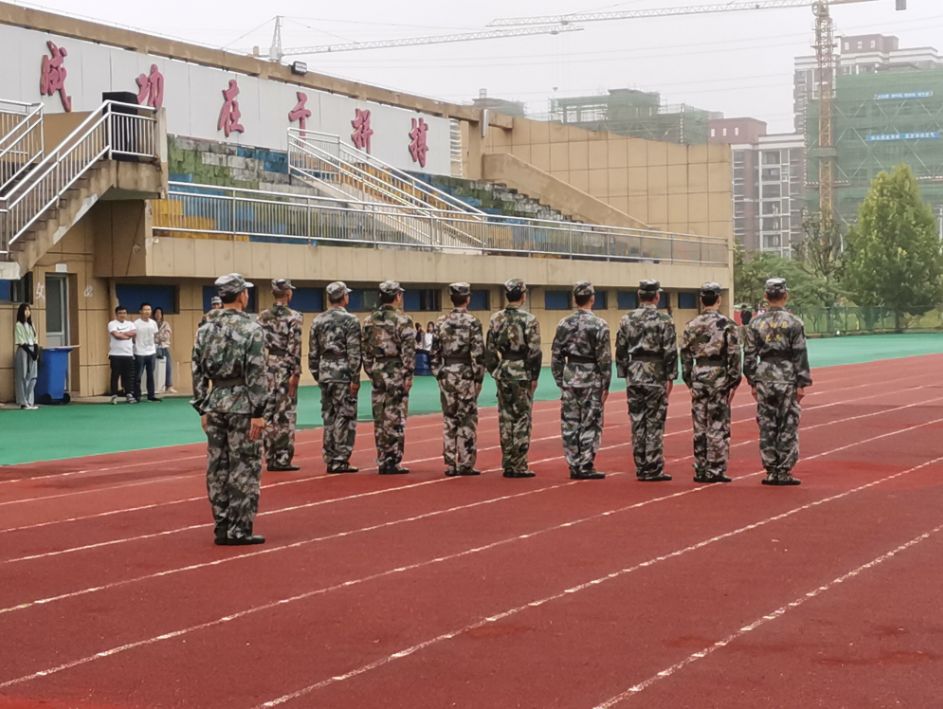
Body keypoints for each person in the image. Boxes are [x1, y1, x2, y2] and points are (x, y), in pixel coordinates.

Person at [191, 273, 270, 545]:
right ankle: (240, 528)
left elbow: (197, 370)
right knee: (244, 467)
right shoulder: (251, 329)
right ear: (241, 296)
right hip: (242, 404)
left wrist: (202, 407)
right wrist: (259, 412)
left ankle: (222, 524)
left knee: (217, 467)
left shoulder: (204, 328)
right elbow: (258, 374)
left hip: (215, 403)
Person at [744, 278, 812, 486]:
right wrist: (802, 382)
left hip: (764, 375)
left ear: (766, 296)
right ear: (785, 295)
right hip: (787, 376)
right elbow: (800, 353)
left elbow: (748, 356)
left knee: (767, 424)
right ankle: (784, 469)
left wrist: (753, 382)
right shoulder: (794, 322)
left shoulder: (755, 323)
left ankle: (771, 469)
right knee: (788, 423)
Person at [615, 280, 677, 482]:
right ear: (656, 296)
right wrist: (671, 376)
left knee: (637, 421)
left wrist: (624, 372)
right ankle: (653, 466)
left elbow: (621, 349)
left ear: (639, 295)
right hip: (655, 373)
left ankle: (641, 464)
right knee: (654, 421)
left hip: (635, 373)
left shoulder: (627, 319)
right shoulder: (664, 319)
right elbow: (669, 350)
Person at [680, 283, 742, 484]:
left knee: (700, 424)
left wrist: (689, 380)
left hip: (699, 374)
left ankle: (700, 468)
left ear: (701, 300)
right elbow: (734, 354)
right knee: (717, 423)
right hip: (718, 375)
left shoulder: (691, 324)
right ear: (719, 299)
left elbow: (685, 355)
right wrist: (733, 381)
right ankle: (715, 469)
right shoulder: (727, 324)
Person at [551, 282, 611, 480]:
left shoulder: (563, 324)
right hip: (591, 377)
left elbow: (556, 355)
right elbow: (604, 358)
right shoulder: (600, 324)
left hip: (570, 376)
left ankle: (573, 463)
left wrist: (561, 379)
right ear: (592, 298)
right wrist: (606, 383)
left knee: (570, 422)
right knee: (590, 422)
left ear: (574, 299)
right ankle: (585, 463)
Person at [485, 278, 542, 479]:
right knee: (522, 418)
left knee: (505, 418)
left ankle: (508, 461)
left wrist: (495, 370)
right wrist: (534, 375)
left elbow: (490, 350)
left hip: (504, 370)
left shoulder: (496, 319)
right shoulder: (529, 319)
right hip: (522, 372)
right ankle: (519, 464)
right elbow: (534, 351)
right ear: (523, 295)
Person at [431, 283, 486, 477]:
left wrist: (439, 372)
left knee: (449, 419)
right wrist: (478, 378)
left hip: (447, 373)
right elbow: (478, 353)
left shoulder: (441, 322)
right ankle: (466, 462)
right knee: (467, 419)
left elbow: (434, 352)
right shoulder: (473, 322)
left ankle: (450, 463)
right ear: (468, 298)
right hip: (465, 375)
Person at [362, 280, 415, 475]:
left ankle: (383, 457)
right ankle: (393, 459)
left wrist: (371, 370)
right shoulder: (403, 320)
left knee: (380, 416)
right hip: (395, 370)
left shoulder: (369, 321)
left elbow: (365, 350)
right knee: (396, 415)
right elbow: (408, 351)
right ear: (397, 296)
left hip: (378, 369)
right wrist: (408, 374)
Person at [310, 281, 362, 474]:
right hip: (342, 372)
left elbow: (313, 352)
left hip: (325, 371)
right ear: (344, 297)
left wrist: (318, 374)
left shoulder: (317, 320)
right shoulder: (350, 320)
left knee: (329, 416)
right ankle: (340, 458)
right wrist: (355, 378)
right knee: (345, 416)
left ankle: (330, 456)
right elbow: (354, 352)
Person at [258, 279, 304, 472]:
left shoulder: (262, 317)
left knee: (268, 413)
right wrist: (296, 372)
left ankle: (269, 455)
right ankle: (283, 458)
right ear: (288, 294)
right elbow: (295, 346)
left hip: (267, 367)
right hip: (285, 366)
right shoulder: (294, 317)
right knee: (285, 414)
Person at [108, 305, 137, 404]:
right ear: (116, 314)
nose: (122, 315)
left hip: (128, 354)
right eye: (120, 313)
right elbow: (116, 335)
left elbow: (133, 333)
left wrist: (122, 333)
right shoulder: (112, 323)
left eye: (124, 313)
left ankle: (129, 394)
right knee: (115, 375)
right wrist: (125, 335)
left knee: (128, 376)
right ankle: (114, 395)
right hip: (115, 354)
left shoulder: (131, 324)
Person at [133, 303, 161, 402]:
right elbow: (133, 337)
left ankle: (151, 395)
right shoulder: (136, 323)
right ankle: (137, 395)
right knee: (138, 375)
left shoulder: (153, 323)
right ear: (140, 311)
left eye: (149, 309)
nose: (147, 312)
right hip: (139, 352)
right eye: (145, 310)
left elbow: (155, 335)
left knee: (151, 374)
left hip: (151, 351)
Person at [14, 303, 39, 410]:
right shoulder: (18, 325)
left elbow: (35, 338)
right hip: (24, 350)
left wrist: (36, 352)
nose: (27, 312)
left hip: (32, 349)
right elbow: (21, 341)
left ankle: (30, 400)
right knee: (22, 376)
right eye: (25, 310)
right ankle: (23, 402)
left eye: (29, 310)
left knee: (32, 376)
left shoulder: (31, 324)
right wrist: (30, 352)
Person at [153, 307, 177, 394]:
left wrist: (158, 337)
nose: (158, 315)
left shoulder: (166, 324)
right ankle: (156, 386)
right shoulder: (151, 323)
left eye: (159, 313)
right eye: (156, 313)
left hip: (164, 346)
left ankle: (169, 386)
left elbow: (167, 336)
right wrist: (158, 338)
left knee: (168, 366)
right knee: (155, 367)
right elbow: (151, 336)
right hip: (154, 347)